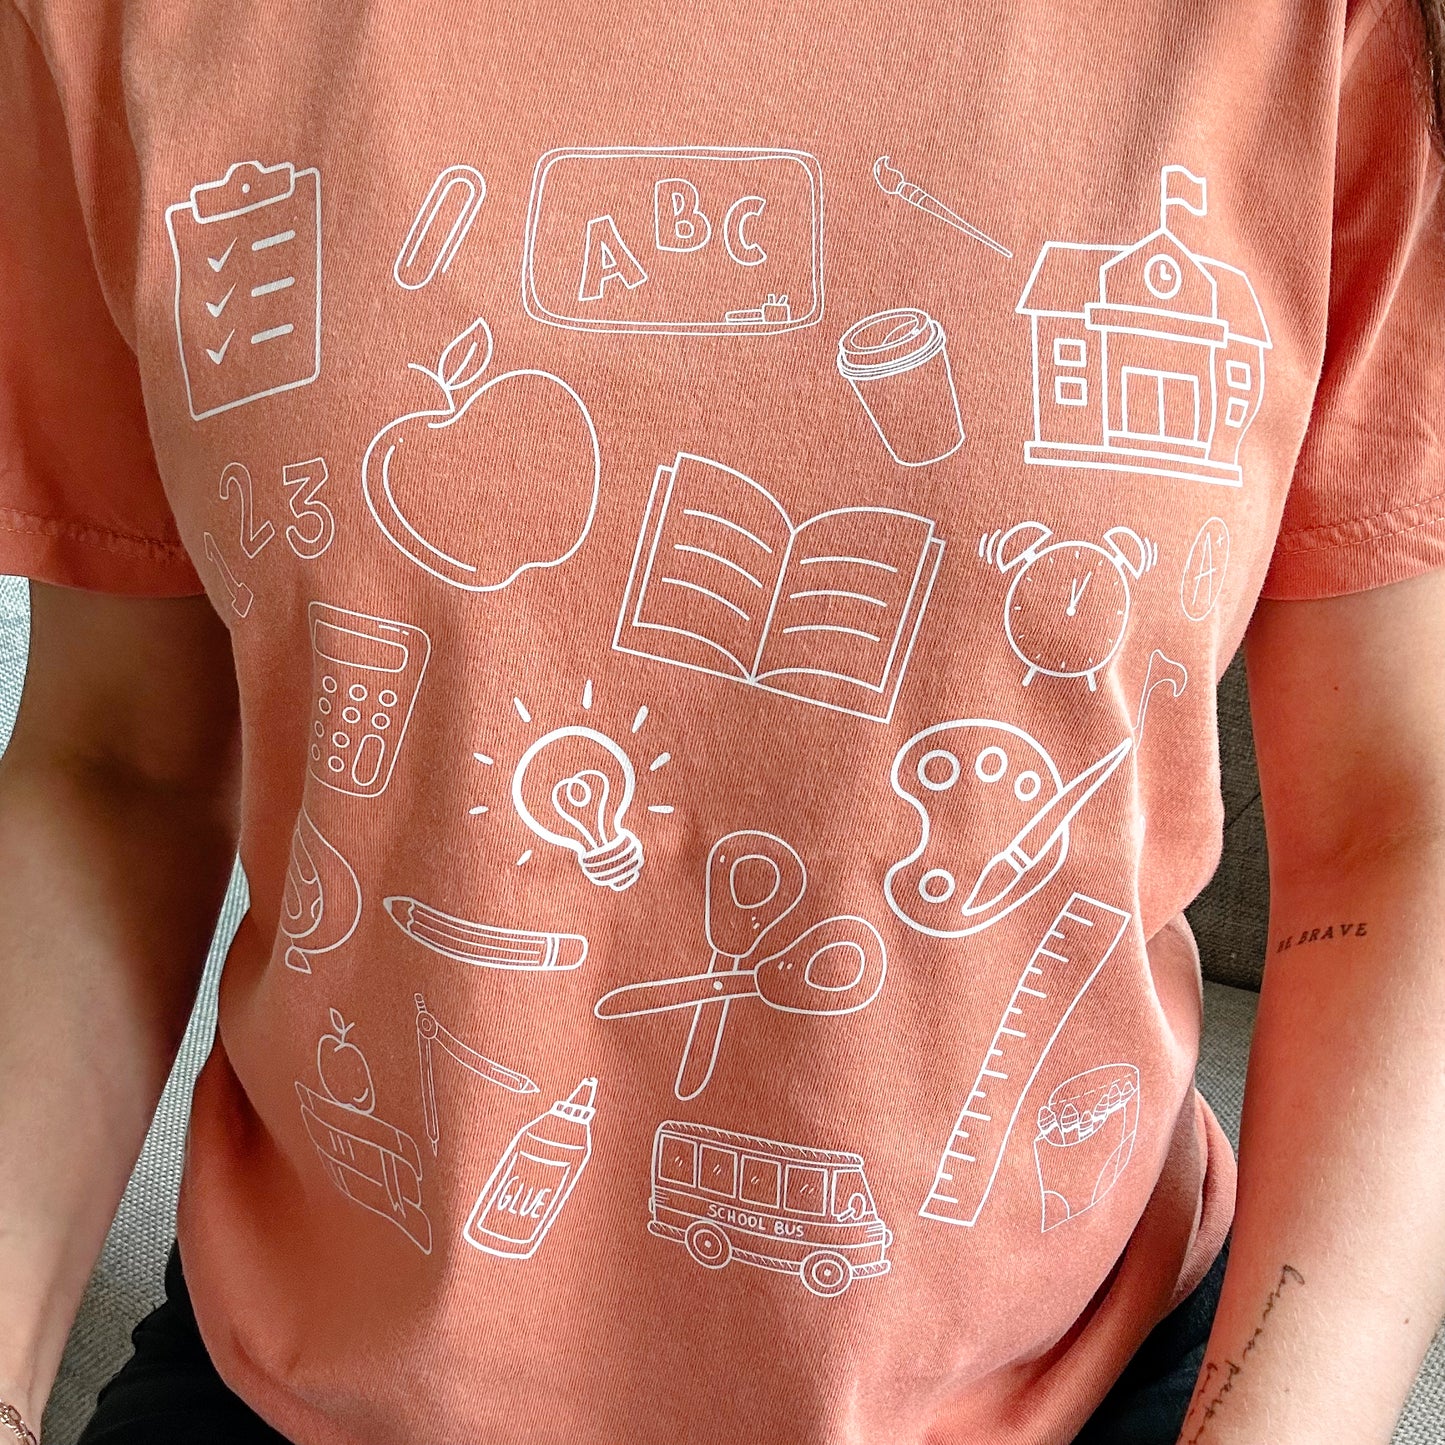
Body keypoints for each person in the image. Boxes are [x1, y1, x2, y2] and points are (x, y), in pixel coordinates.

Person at [1, 1, 1444, 1442]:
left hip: (1083, 1376)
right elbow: (115, 768)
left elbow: (1397, 821)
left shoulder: (1324, 34)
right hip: (310, 1375)